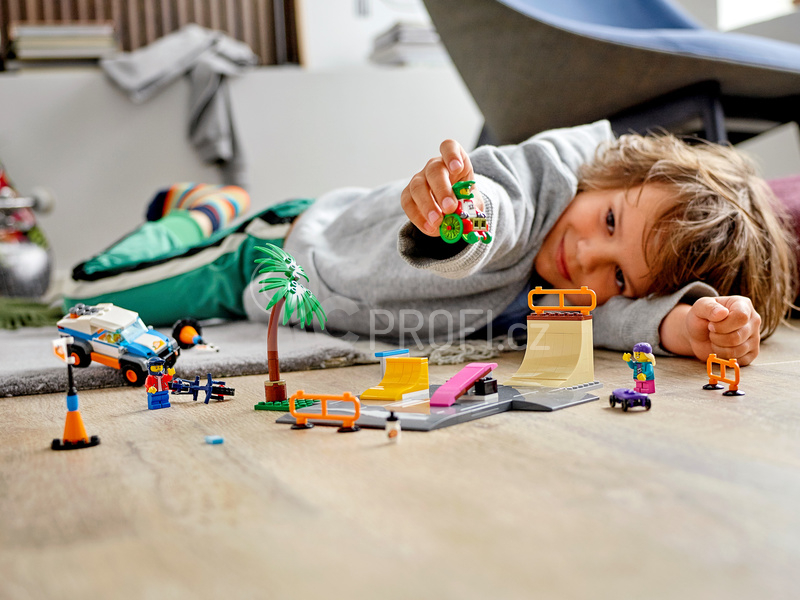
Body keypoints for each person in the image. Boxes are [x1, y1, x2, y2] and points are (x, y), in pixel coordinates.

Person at [62, 121, 798, 366]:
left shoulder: (581, 297)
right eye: (608, 224)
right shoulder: (542, 177)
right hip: (283, 254)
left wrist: (682, 326)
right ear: (610, 175)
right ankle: (192, 215)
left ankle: (195, 209)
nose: (587, 261)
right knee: (94, 308)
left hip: (297, 307)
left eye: (622, 277)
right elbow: (496, 207)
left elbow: (611, 322)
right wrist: (464, 216)